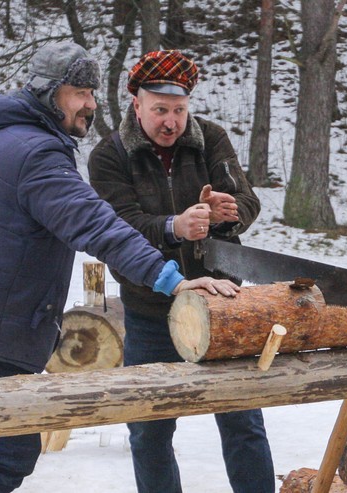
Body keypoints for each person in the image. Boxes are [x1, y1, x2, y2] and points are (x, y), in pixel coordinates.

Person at [0, 41, 229, 493]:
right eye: (80, 92)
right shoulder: (36, 155)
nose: (91, 105)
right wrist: (171, 280)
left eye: (92, 92)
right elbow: (98, 225)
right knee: (11, 452)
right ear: (48, 93)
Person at [87, 50, 274, 493]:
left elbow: (247, 202)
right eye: (160, 111)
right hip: (152, 309)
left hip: (223, 305)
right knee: (150, 429)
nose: (171, 122)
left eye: (179, 110)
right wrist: (175, 227)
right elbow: (120, 227)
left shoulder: (210, 139)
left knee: (242, 421)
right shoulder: (110, 155)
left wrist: (226, 214)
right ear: (136, 104)